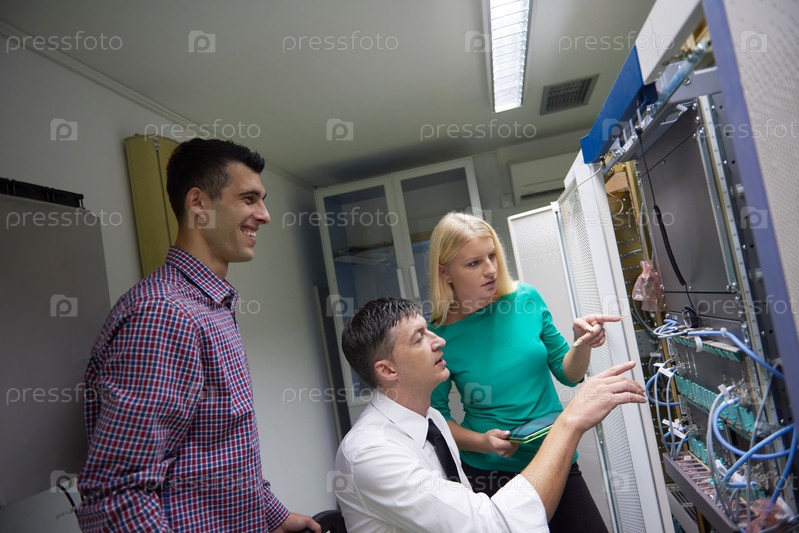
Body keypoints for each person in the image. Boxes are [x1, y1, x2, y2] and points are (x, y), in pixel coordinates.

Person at [76, 138, 320, 533]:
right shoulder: (164, 313)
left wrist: (274, 516)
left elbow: (219, 448)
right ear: (198, 204)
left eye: (262, 200)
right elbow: (117, 493)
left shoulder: (212, 307)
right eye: (249, 199)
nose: (265, 215)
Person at [334, 297, 646, 532]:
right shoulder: (371, 453)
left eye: (429, 330)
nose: (439, 341)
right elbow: (492, 525)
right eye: (419, 338)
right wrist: (570, 421)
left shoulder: (432, 421)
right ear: (387, 370)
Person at [427, 211, 621, 532]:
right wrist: (483, 442)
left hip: (554, 455)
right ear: (444, 272)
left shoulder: (526, 299)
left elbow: (569, 373)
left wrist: (582, 343)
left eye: (491, 256)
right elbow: (437, 420)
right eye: (473, 263)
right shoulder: (438, 337)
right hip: (491, 473)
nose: (490, 269)